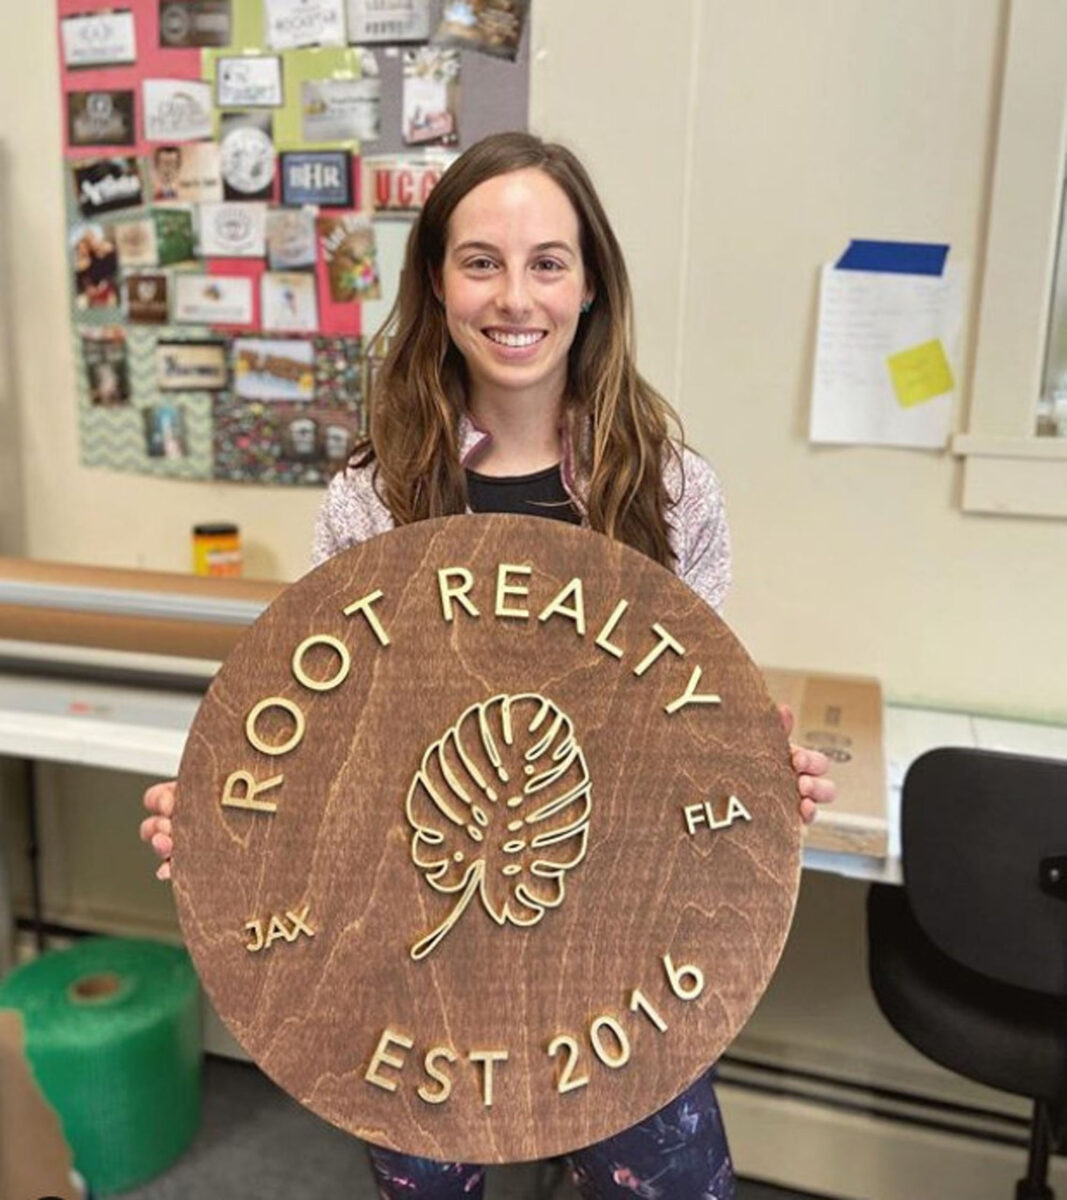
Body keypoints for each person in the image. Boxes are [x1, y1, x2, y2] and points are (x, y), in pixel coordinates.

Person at [141, 131, 834, 1200]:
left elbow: (687, 728)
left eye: (546, 262)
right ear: (437, 280)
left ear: (590, 283)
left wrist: (765, 783)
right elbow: (337, 741)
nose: (515, 297)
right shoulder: (373, 496)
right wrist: (224, 829)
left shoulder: (667, 490)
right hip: (415, 958)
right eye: (481, 262)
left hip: (619, 944)